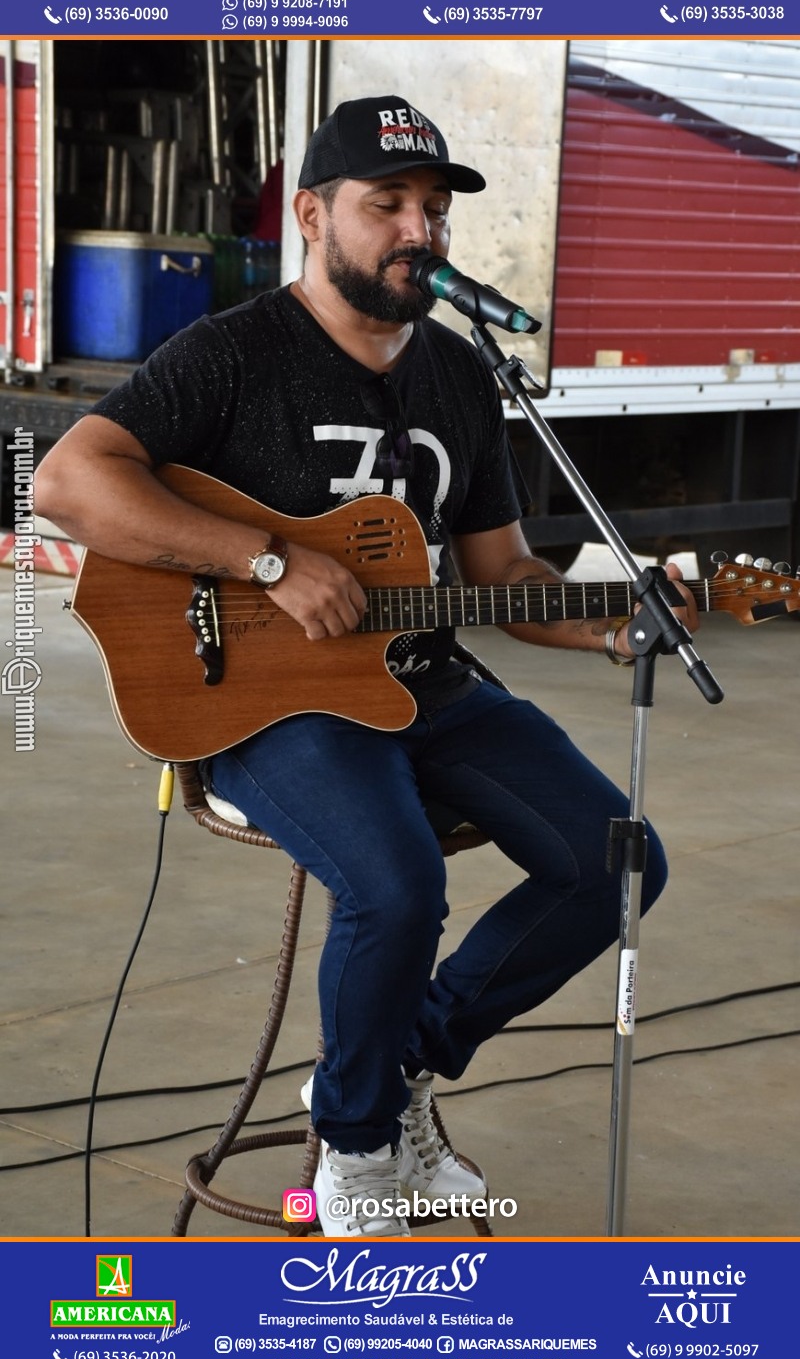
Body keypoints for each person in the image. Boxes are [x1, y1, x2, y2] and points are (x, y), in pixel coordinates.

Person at [35, 94, 698, 1239]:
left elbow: (502, 572)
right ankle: (352, 1155)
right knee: (397, 886)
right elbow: (66, 482)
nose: (416, 231)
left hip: (422, 682)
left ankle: (387, 1084)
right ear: (311, 214)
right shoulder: (233, 352)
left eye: (433, 211)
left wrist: (608, 616)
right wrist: (263, 557)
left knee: (617, 863)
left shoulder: (456, 375)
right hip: (258, 700)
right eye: (384, 203)